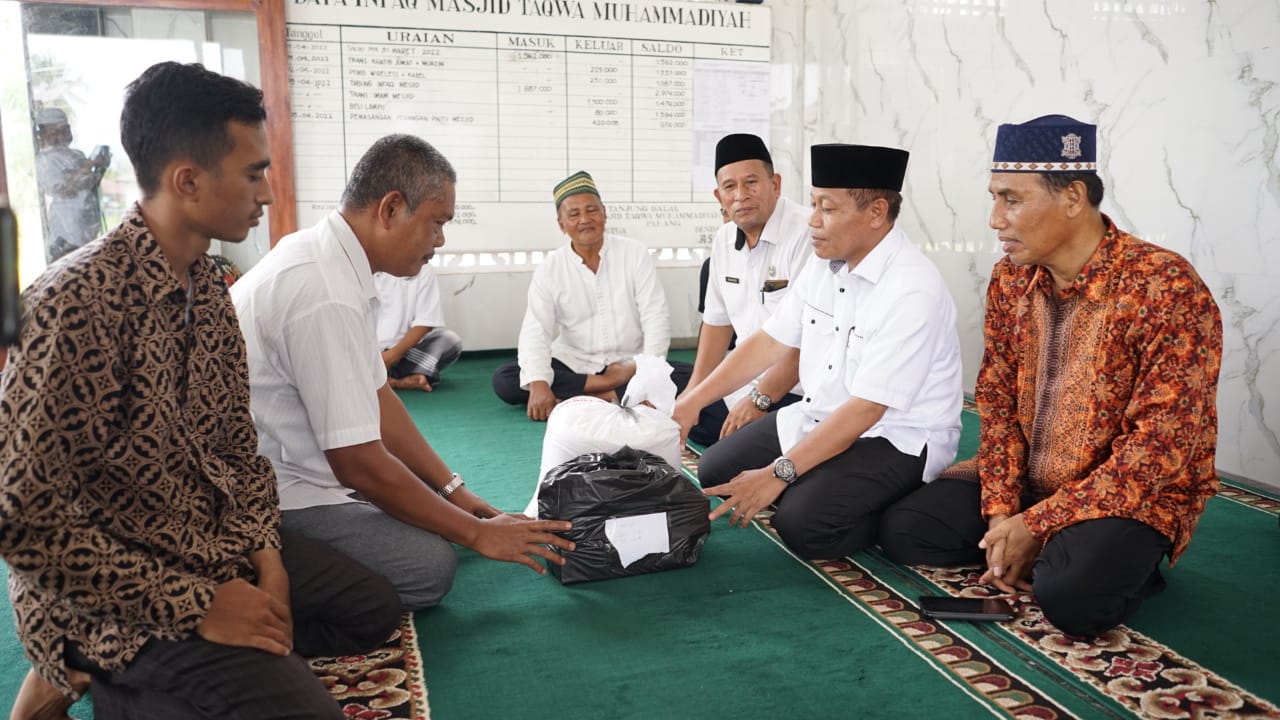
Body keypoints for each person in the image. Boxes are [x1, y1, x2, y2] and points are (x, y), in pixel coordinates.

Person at [0, 61, 401, 720]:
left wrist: (268, 563)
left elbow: (236, 452)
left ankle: (195, 678)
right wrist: (199, 607)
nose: (267, 194)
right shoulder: (73, 305)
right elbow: (22, 520)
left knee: (373, 609)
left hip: (208, 543)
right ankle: (94, 666)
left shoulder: (210, 291)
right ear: (187, 180)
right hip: (116, 586)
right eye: (253, 173)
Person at [878, 114, 1224, 637]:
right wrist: (1000, 512)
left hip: (1131, 495)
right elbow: (994, 401)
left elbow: (1158, 452)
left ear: (1072, 197)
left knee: (1072, 599)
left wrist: (1037, 524)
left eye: (1011, 200)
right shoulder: (1010, 279)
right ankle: (1042, 548)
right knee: (906, 530)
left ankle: (1094, 557)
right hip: (1029, 484)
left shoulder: (1165, 287)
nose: (995, 219)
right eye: (994, 198)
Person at [231, 134, 575, 612]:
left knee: (426, 515)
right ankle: (240, 582)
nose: (440, 240)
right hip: (274, 494)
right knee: (427, 567)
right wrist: (476, 534)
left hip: (310, 467)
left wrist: (454, 493)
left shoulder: (327, 256)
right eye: (436, 223)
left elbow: (378, 396)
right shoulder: (323, 290)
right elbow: (358, 462)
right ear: (391, 209)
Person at [672, 143, 963, 560]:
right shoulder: (827, 265)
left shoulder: (912, 288)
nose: (812, 221)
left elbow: (866, 409)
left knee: (802, 524)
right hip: (820, 414)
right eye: (812, 205)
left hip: (895, 437)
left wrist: (780, 472)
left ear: (876, 213)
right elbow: (769, 341)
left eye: (826, 208)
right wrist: (693, 401)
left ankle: (896, 505)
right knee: (718, 469)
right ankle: (822, 480)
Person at [491, 170, 687, 421]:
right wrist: (539, 382)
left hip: (630, 364)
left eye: (592, 210)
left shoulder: (634, 253)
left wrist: (645, 370)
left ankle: (588, 397)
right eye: (574, 214)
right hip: (575, 363)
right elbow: (536, 328)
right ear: (561, 225)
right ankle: (611, 391)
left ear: (604, 213)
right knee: (506, 379)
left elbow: (655, 316)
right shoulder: (550, 268)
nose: (585, 219)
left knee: (686, 375)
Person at [682, 133, 812, 447]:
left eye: (751, 182)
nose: (741, 195)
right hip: (740, 381)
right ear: (719, 196)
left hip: (796, 393)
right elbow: (717, 324)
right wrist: (693, 396)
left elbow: (807, 340)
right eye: (730, 186)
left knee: (721, 460)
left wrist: (758, 401)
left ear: (775, 184)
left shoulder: (807, 234)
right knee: (663, 389)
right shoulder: (724, 239)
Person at [32, 107, 110, 262]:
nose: (63, 134)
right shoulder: (44, 160)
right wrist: (84, 168)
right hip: (68, 225)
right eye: (57, 130)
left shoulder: (77, 154)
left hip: (88, 221)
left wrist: (100, 167)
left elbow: (90, 186)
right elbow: (63, 191)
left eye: (66, 129)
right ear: (45, 133)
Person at [374, 263, 462, 391]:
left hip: (401, 354)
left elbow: (425, 322)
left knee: (449, 339)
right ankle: (394, 381)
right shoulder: (356, 266)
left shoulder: (423, 269)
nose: (439, 243)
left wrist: (392, 356)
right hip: (365, 355)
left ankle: (379, 379)